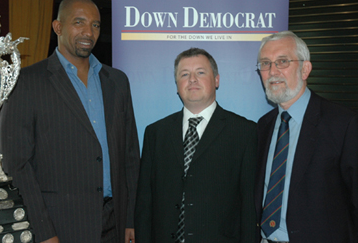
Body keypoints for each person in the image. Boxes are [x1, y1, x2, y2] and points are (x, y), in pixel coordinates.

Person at [0, 0, 140, 243]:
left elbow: (130, 155)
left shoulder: (118, 82)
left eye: (95, 25)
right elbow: (18, 165)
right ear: (58, 27)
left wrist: (131, 219)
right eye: (79, 22)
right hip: (60, 225)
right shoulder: (27, 82)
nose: (89, 32)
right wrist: (44, 231)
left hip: (114, 223)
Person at [135, 47, 258, 243]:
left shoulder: (245, 132)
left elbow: (249, 206)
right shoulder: (155, 133)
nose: (192, 79)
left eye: (200, 72)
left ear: (216, 80)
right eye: (185, 74)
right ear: (177, 85)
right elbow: (144, 202)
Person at [255, 31, 358, 243]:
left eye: (282, 61)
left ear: (305, 69)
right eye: (265, 63)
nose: (272, 71)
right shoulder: (262, 127)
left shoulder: (344, 124)